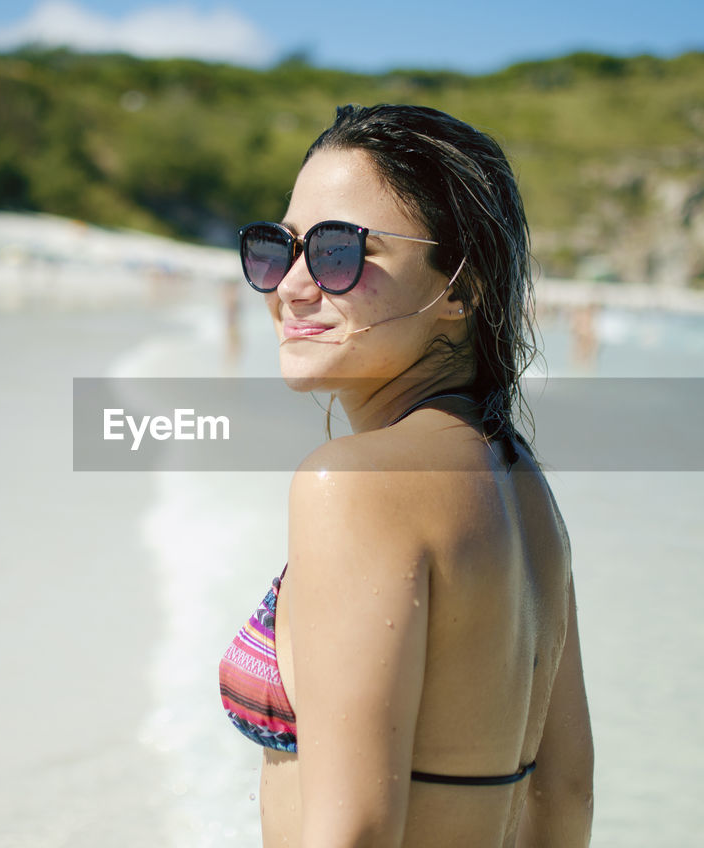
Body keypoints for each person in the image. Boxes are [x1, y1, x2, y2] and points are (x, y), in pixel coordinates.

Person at [219, 104, 593, 847]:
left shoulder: (353, 487)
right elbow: (565, 801)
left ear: (461, 287)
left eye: (336, 252)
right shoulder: (524, 493)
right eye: (277, 248)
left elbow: (354, 832)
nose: (290, 287)